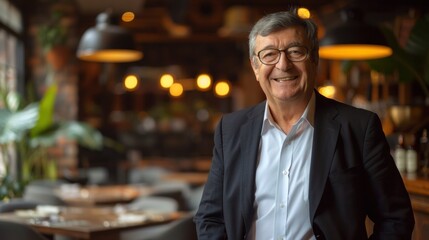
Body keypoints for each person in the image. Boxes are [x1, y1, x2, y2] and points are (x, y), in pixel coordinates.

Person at [194, 8, 415, 240]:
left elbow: (395, 218)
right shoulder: (230, 129)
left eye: (295, 51)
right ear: (255, 66)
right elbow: (211, 218)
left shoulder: (359, 127)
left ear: (315, 59)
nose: (283, 65)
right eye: (269, 54)